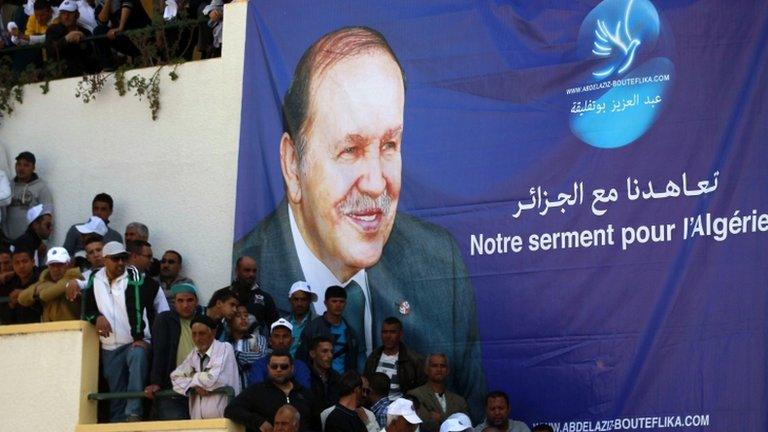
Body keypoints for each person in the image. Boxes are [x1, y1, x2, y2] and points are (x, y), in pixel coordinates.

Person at [232, 25, 485, 413]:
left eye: (389, 145)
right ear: (292, 166)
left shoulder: (439, 261)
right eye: (350, 149)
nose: (375, 183)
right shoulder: (253, 270)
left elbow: (472, 405)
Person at [81, 241, 158, 421]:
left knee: (137, 360)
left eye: (123, 258)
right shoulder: (95, 278)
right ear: (105, 259)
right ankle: (117, 423)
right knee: (116, 392)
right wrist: (96, 318)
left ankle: (133, 414)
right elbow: (88, 310)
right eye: (115, 259)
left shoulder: (133, 274)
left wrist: (138, 337)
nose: (121, 263)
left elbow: (136, 306)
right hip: (109, 346)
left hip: (134, 341)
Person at [145, 282, 201, 420]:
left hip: (199, 388)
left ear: (196, 302)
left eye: (189, 300)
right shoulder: (164, 319)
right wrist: (156, 382)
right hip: (171, 389)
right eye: (180, 301)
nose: (185, 305)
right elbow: (159, 352)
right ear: (174, 303)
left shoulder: (202, 320)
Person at [171, 314, 241, 419]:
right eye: (194, 334)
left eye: (202, 334)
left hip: (223, 420)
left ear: (213, 333)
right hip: (198, 423)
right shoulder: (193, 354)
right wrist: (193, 386)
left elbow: (213, 380)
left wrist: (193, 378)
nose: (197, 338)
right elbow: (175, 378)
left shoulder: (224, 348)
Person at [225, 350, 315, 432]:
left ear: (292, 369)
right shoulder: (256, 391)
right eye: (274, 366)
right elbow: (231, 409)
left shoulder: (306, 394)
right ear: (268, 368)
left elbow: (316, 424)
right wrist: (259, 422)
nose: (278, 370)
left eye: (284, 367)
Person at [297, 285, 358, 375]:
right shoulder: (313, 328)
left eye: (341, 302)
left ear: (345, 304)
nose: (338, 305)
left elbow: (354, 359)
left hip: (343, 382)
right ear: (325, 303)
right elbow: (301, 357)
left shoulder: (350, 332)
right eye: (334, 301)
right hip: (318, 380)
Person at [364, 316, 426, 401]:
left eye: (392, 332)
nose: (388, 336)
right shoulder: (373, 357)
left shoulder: (413, 360)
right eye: (385, 332)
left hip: (400, 408)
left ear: (400, 334)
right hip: (374, 407)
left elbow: (421, 390)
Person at [408, 354, 470, 432]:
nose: (439, 369)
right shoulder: (415, 395)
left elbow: (465, 426)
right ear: (426, 370)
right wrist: (452, 421)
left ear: (447, 371)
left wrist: (441, 418)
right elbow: (424, 424)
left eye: (442, 366)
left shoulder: (459, 401)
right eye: (434, 366)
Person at [17, 247, 81, 321]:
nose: (56, 269)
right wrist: (37, 288)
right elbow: (21, 298)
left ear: (68, 265)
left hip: (73, 328)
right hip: (50, 329)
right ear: (48, 266)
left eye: (60, 265)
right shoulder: (45, 280)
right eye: (52, 265)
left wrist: (41, 287)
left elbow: (45, 295)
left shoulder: (74, 277)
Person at [248, 317, 311, 388]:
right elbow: (256, 391)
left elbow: (304, 393)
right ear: (270, 341)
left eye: (285, 336)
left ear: (292, 341)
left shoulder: (301, 366)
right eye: (276, 336)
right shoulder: (259, 365)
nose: (281, 341)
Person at [44, 0, 100, 77]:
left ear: (77, 15)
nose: (66, 17)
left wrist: (84, 44)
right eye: (63, 13)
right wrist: (66, 39)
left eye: (70, 14)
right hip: (61, 74)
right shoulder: (53, 30)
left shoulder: (85, 32)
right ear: (60, 16)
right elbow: (50, 50)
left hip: (85, 74)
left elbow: (92, 55)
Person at [5, 151, 53, 240]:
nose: (21, 168)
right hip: (7, 240)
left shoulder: (41, 188)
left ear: (33, 168)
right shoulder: (7, 186)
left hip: (30, 242)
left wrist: (43, 241)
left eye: (26, 165)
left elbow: (47, 217)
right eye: (18, 164)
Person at [225, 256, 279, 334]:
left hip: (256, 344)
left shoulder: (266, 298)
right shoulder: (225, 294)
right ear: (237, 271)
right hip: (228, 343)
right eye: (247, 270)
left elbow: (275, 328)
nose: (251, 274)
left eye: (254, 271)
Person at [227, 304, 268, 389]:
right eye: (238, 315)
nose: (243, 318)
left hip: (255, 393)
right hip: (233, 396)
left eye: (246, 315)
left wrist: (234, 354)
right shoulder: (226, 344)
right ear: (229, 321)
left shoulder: (257, 339)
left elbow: (260, 358)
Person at [0, 248, 41, 324]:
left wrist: (25, 294)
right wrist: (11, 305)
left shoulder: (42, 278)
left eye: (25, 261)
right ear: (13, 265)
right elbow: (4, 319)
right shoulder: (8, 284)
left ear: (33, 262)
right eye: (17, 263)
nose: (21, 266)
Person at [285, 280, 317, 357]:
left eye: (303, 299)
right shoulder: (283, 322)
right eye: (296, 299)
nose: (299, 304)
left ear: (310, 301)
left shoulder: (318, 322)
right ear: (290, 300)